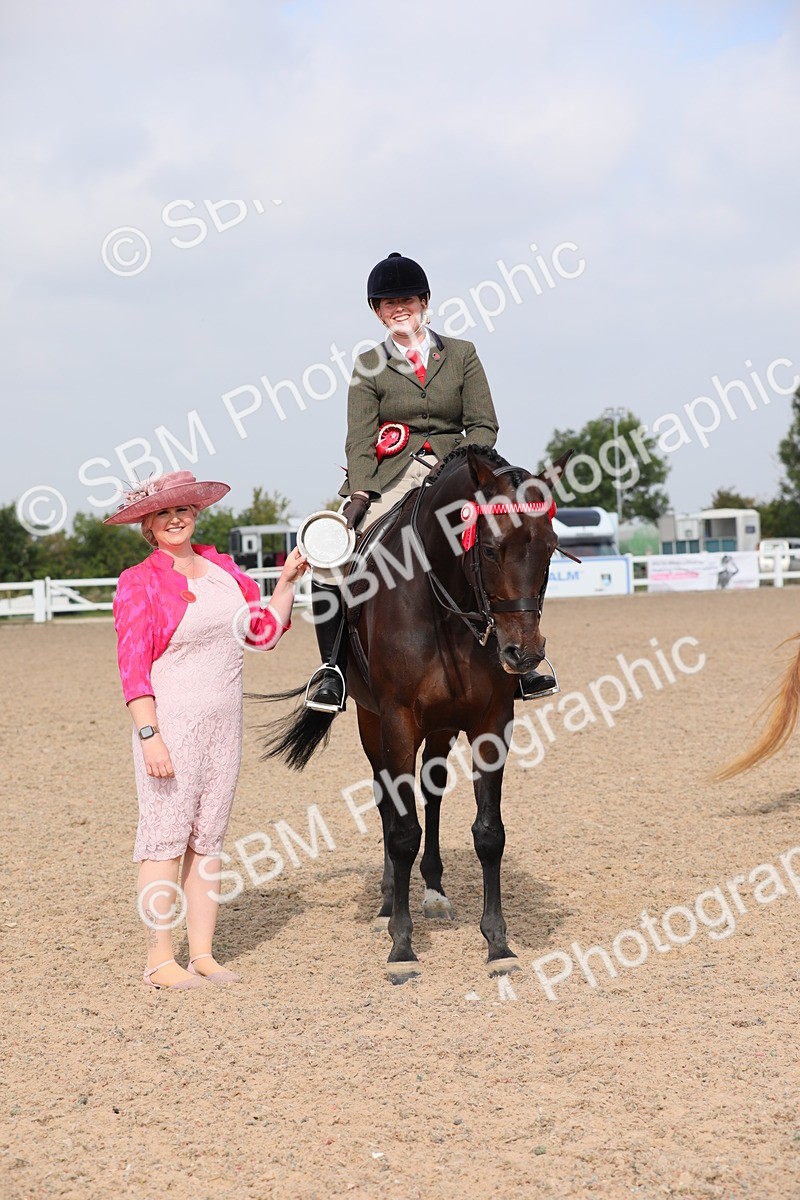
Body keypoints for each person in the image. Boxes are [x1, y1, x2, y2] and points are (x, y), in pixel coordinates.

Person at [306, 251, 557, 712]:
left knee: (517, 538)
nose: (398, 308)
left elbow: (483, 423)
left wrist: (463, 465)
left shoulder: (462, 353)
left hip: (459, 471)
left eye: (406, 299)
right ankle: (333, 670)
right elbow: (359, 438)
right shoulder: (367, 364)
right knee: (332, 556)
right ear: (376, 312)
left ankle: (525, 661)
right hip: (391, 477)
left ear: (424, 302)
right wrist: (361, 491)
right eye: (387, 303)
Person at [106, 470, 308, 990]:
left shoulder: (224, 571)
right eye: (164, 513)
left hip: (224, 726)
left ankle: (202, 955)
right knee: (164, 842)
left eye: (184, 510)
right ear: (148, 524)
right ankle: (159, 960)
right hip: (170, 726)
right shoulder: (138, 582)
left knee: (208, 840)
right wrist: (150, 736)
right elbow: (134, 669)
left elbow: (263, 634)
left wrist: (286, 582)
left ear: (196, 515)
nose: (176, 519)